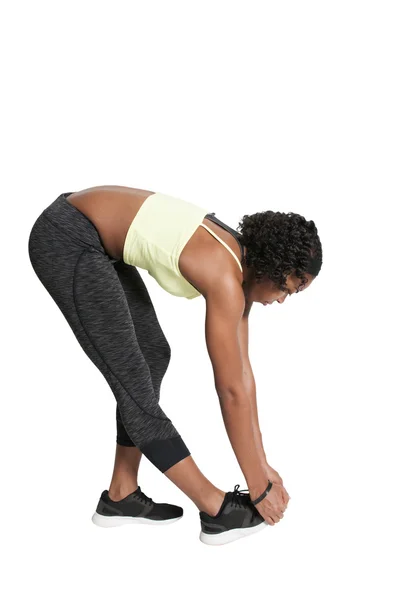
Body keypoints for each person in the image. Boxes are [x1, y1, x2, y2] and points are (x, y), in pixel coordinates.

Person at [28, 185, 322, 546]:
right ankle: (214, 508)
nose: (280, 301)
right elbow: (229, 391)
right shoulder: (223, 275)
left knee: (152, 354)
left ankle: (121, 494)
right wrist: (257, 490)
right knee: (133, 381)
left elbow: (243, 378)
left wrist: (262, 468)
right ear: (274, 269)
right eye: (287, 290)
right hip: (68, 236)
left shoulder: (239, 263)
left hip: (94, 237)